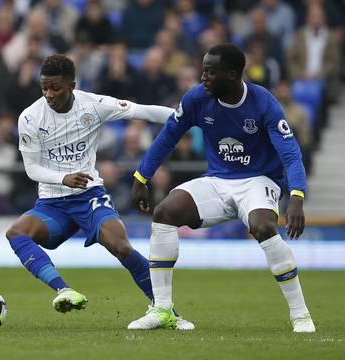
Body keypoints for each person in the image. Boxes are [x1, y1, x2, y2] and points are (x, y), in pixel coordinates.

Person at [127, 44, 315, 333]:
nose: (203, 77)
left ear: (232, 75)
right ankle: (163, 309)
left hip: (259, 181)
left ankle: (300, 314)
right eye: (203, 70)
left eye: (210, 72)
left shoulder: (263, 102)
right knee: (165, 212)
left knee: (263, 227)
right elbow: (168, 136)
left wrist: (297, 197)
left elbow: (290, 153)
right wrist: (142, 177)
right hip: (217, 181)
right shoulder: (197, 98)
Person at [6, 54, 193, 330]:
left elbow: (143, 111)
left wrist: (188, 118)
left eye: (55, 88)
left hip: (89, 197)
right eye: (44, 88)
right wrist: (63, 178)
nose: (49, 94)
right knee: (16, 233)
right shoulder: (30, 118)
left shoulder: (93, 105)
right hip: (52, 203)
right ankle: (64, 290)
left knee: (120, 246)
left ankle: (166, 311)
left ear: (72, 84)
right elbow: (32, 169)